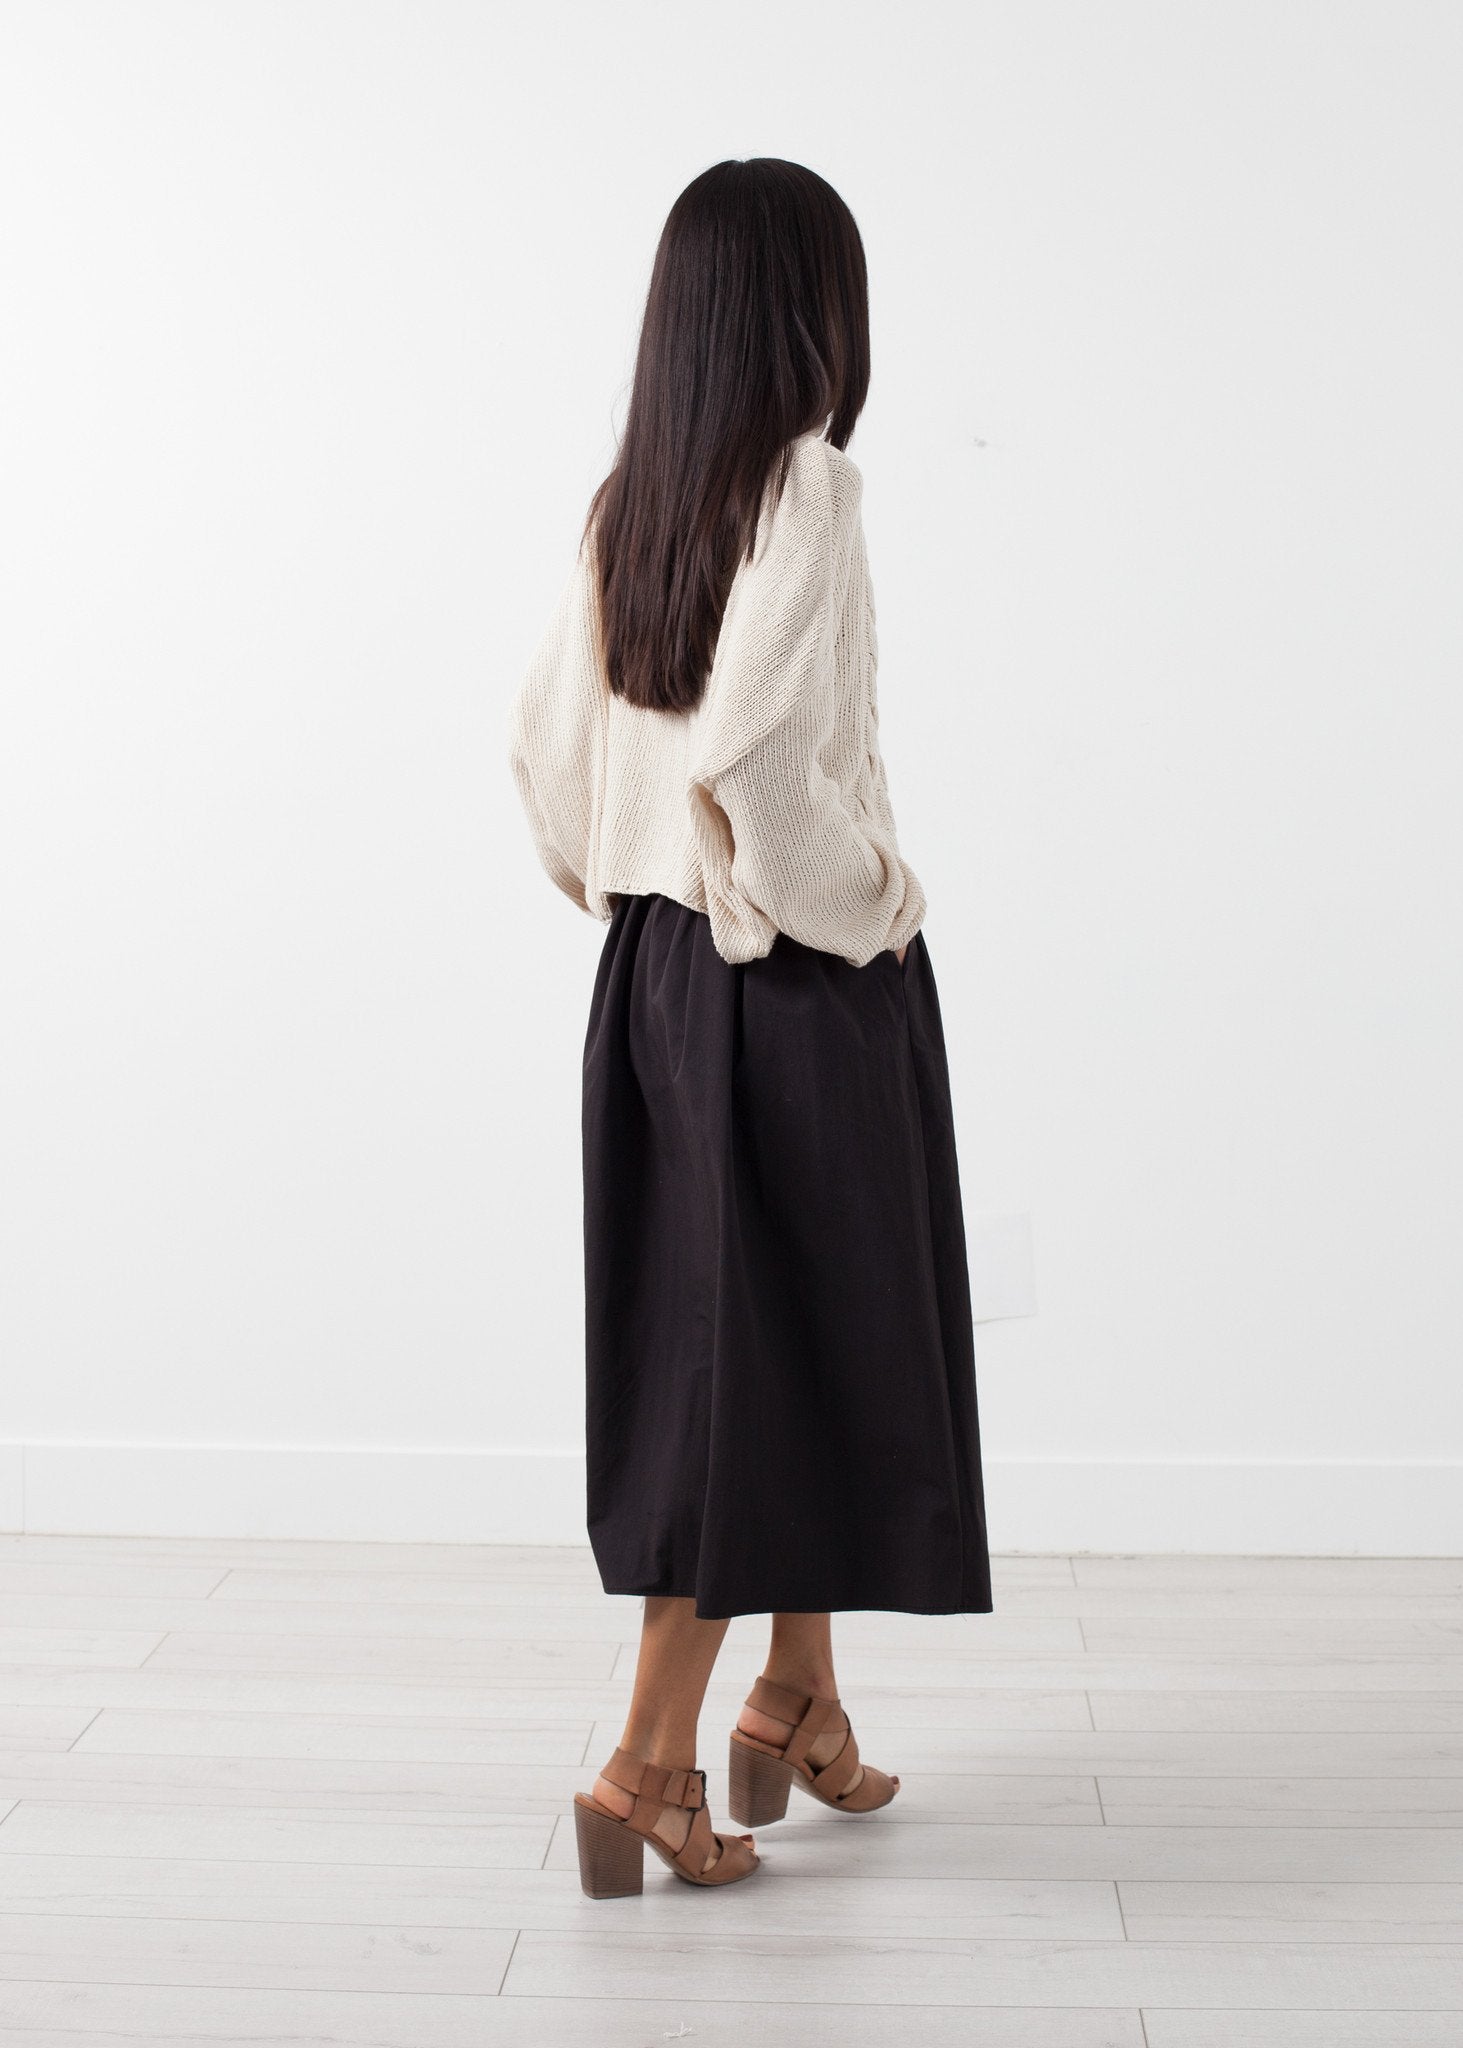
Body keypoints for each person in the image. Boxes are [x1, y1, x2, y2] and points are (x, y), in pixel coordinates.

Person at [508, 156, 993, 1899]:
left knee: (767, 1345)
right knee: (749, 1372)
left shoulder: (628, 503)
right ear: (813, 310)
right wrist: (874, 900)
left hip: (649, 981)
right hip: (787, 974)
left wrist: (633, 882)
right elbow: (766, 766)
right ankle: (648, 1765)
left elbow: (544, 755)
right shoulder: (809, 486)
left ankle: (800, 1698)